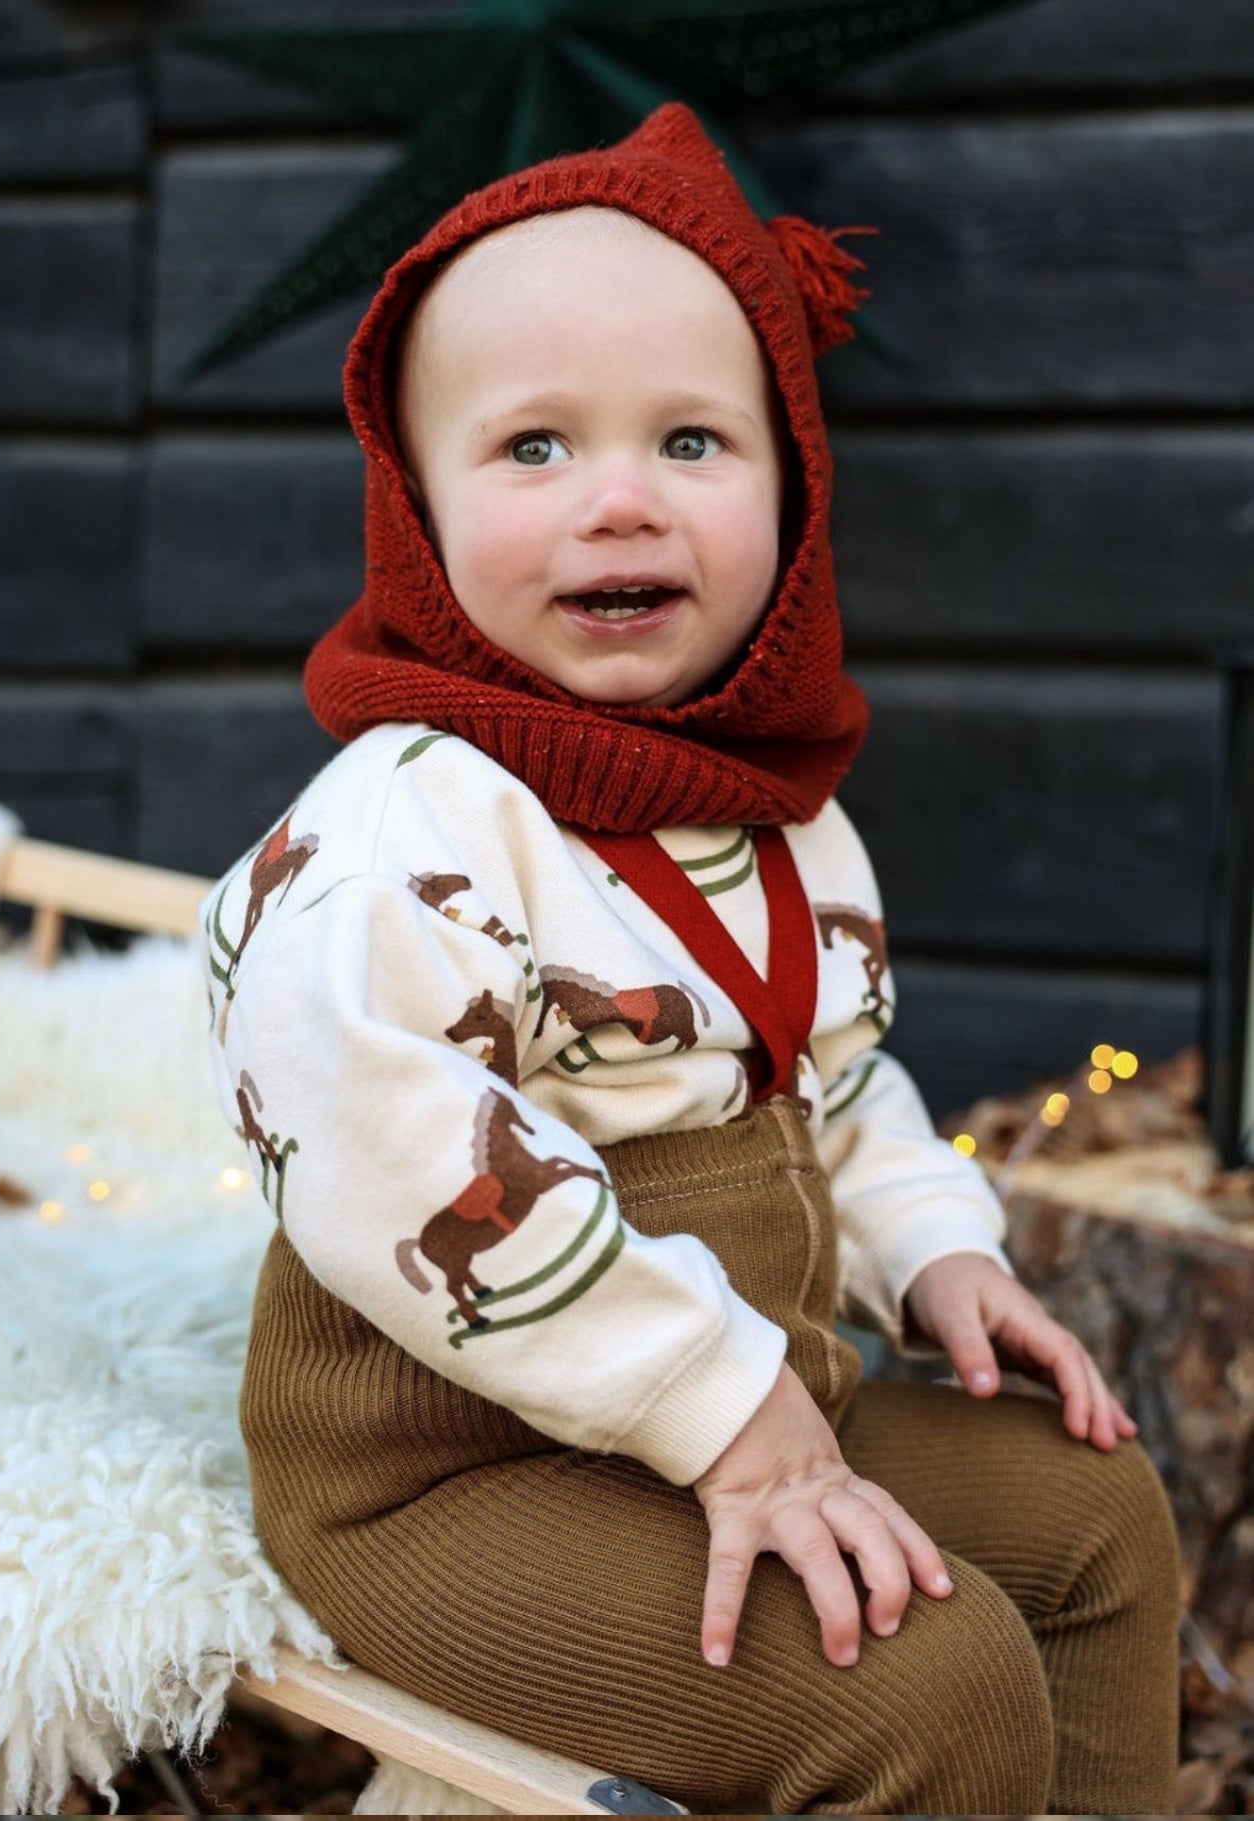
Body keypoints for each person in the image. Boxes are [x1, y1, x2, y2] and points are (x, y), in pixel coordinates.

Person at [199, 103, 1180, 1814]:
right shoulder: (404, 824)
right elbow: (387, 1145)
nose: (621, 502)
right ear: (415, 511)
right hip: (456, 1474)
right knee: (922, 1690)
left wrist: (934, 1253)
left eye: (693, 442)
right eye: (532, 450)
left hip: (747, 1398)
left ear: (791, 496)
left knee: (1092, 1518)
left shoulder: (781, 814)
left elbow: (830, 1074)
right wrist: (719, 1408)